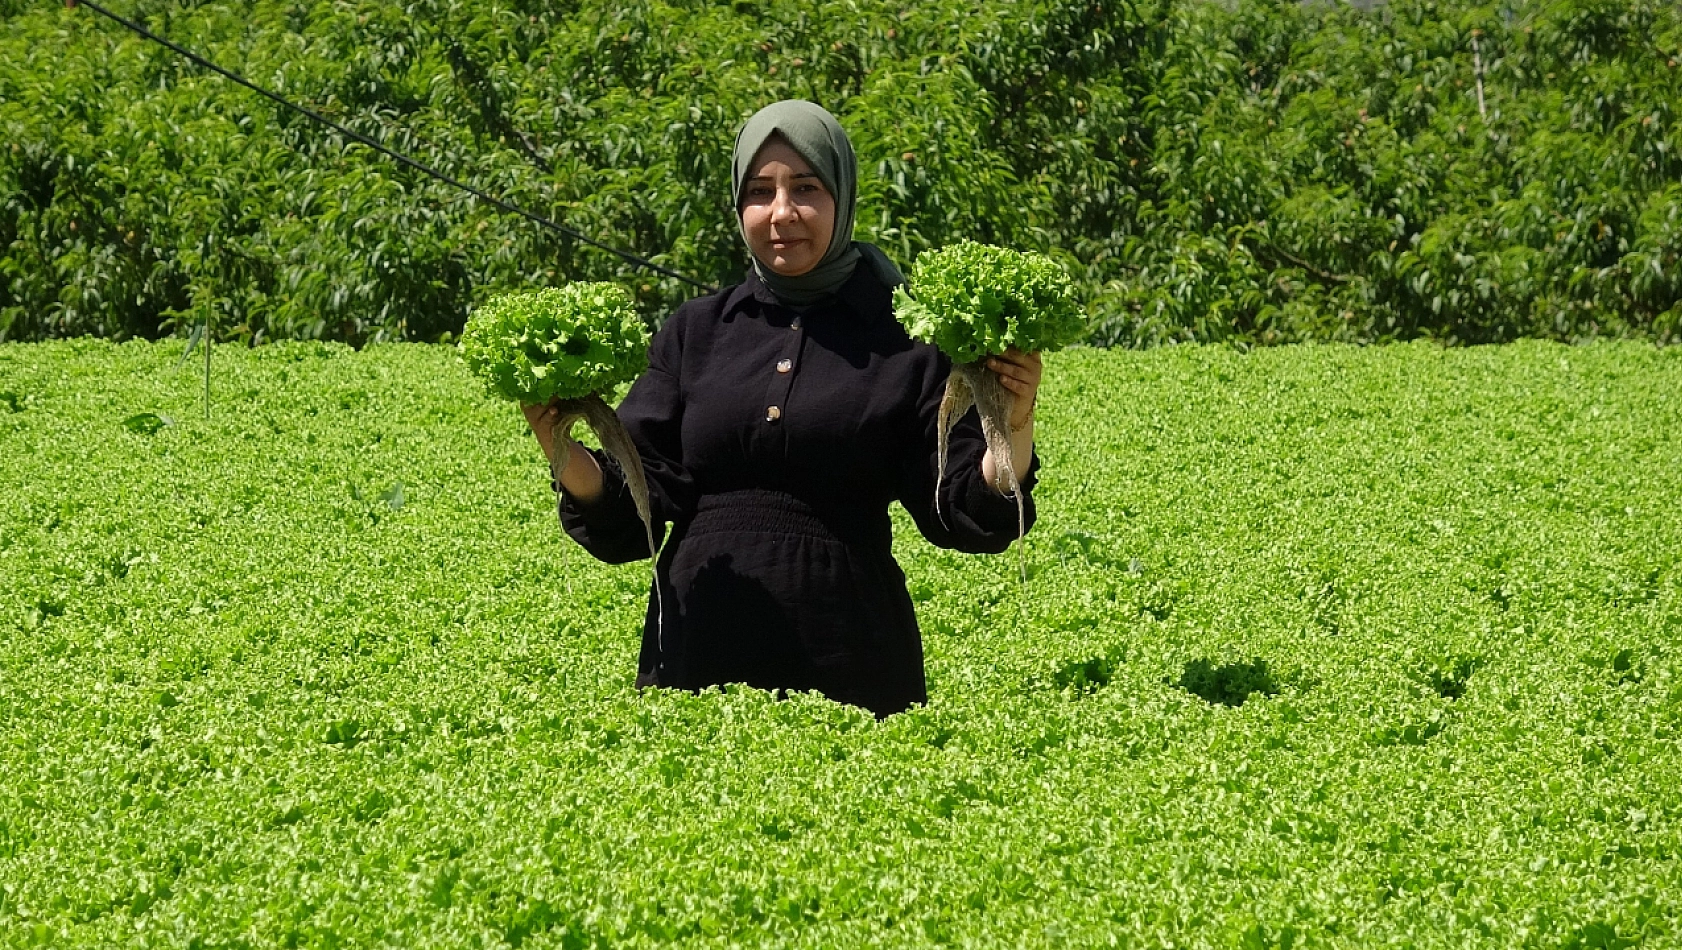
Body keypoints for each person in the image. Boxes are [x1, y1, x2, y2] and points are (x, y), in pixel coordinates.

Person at [522, 100, 1044, 717]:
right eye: (760, 191)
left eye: (805, 188)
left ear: (842, 197)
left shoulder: (906, 338)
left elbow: (960, 509)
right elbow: (636, 498)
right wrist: (559, 443)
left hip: (850, 650)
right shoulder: (696, 330)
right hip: (696, 646)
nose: (781, 214)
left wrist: (1013, 423)